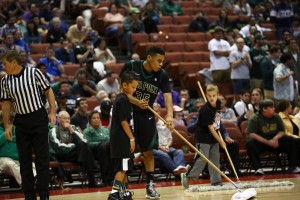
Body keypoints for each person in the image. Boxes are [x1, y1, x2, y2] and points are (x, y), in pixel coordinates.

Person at [0, 50, 56, 200]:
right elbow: (5, 104)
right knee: (24, 161)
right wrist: (7, 125)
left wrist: (52, 112)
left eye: (4, 63)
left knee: (42, 159)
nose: (3, 66)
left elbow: (48, 91)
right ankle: (29, 195)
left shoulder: (34, 72)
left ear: (13, 62)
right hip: (21, 121)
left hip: (38, 118)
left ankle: (44, 194)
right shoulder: (5, 81)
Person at [119, 46, 174, 199]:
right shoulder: (131, 66)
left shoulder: (162, 74)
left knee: (148, 152)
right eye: (159, 60)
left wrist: (169, 115)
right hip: (127, 112)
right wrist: (136, 101)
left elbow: (167, 95)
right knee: (126, 152)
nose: (161, 64)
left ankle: (150, 186)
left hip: (146, 115)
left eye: (163, 61)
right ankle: (123, 188)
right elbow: (121, 92)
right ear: (149, 57)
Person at [181, 84, 226, 189]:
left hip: (213, 135)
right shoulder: (205, 109)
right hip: (203, 135)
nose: (211, 98)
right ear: (206, 95)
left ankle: (216, 181)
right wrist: (221, 141)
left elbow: (217, 116)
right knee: (203, 157)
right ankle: (188, 176)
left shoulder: (218, 103)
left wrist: (218, 125)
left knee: (215, 157)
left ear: (217, 95)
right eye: (209, 95)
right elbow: (210, 128)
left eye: (214, 95)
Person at [49, 111, 103, 188]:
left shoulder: (73, 127)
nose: (67, 121)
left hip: (75, 155)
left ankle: (84, 172)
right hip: (62, 156)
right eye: (64, 118)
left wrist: (71, 130)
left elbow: (84, 141)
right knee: (86, 151)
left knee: (85, 148)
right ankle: (90, 179)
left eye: (68, 118)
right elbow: (59, 148)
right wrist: (75, 146)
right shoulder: (54, 130)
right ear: (58, 119)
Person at [246, 99, 300, 175]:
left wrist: (275, 139)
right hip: (261, 142)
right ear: (264, 109)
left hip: (275, 142)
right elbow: (251, 134)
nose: (274, 109)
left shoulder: (276, 116)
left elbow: (282, 131)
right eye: (271, 107)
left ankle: (293, 167)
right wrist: (268, 142)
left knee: (290, 140)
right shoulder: (254, 118)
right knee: (250, 144)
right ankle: (258, 169)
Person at [108, 71, 139, 200]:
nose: (134, 90)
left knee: (124, 167)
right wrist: (131, 138)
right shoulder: (123, 99)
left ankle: (125, 192)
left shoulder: (120, 98)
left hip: (118, 138)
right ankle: (114, 193)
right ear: (125, 85)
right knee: (122, 167)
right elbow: (124, 121)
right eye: (133, 87)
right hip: (122, 139)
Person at [0, 111, 36, 188]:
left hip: (19, 159)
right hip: (3, 159)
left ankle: (35, 182)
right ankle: (27, 184)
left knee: (31, 165)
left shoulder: (17, 129)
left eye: (12, 118)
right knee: (10, 164)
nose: (10, 121)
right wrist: (6, 133)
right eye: (8, 119)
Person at [153, 103, 190, 175]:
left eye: (156, 111)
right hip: (154, 148)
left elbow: (170, 139)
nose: (154, 113)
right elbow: (149, 142)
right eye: (153, 111)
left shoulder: (164, 123)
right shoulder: (148, 124)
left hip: (166, 147)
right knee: (164, 155)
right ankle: (178, 172)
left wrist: (167, 146)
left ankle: (180, 169)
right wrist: (161, 148)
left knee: (179, 152)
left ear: (160, 112)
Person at [83, 110, 113, 186]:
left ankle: (112, 178)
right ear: (90, 120)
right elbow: (88, 144)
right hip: (95, 152)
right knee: (104, 146)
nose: (96, 119)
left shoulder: (105, 130)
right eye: (94, 118)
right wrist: (100, 143)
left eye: (98, 118)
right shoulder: (87, 131)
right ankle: (106, 179)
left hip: (107, 151)